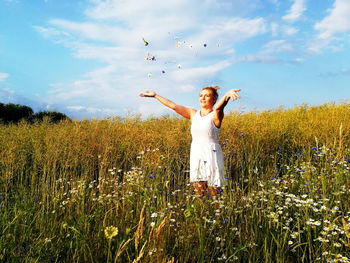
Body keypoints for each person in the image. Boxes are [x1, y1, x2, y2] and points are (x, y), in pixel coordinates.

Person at [139, 86, 240, 196]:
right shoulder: (193, 114)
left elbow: (219, 109)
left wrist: (226, 96)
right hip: (197, 153)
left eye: (207, 96)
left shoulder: (215, 115)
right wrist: (155, 95)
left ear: (214, 99)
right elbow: (173, 106)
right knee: (199, 191)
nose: (203, 98)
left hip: (212, 153)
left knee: (214, 191)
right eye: (201, 95)